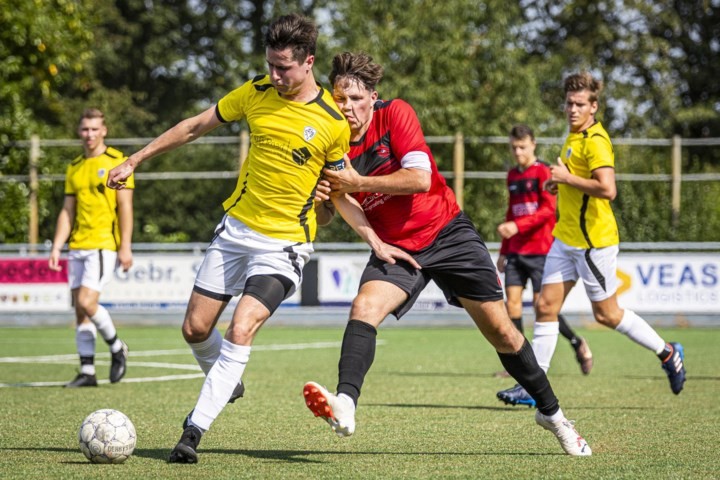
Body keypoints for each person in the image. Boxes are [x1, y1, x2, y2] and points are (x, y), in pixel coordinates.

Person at [106, 14, 416, 464]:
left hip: (285, 245)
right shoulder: (255, 93)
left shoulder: (331, 122)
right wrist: (135, 159)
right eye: (270, 65)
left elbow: (341, 190)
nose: (274, 75)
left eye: (283, 68)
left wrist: (375, 241)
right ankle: (227, 384)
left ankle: (193, 431)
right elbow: (195, 125)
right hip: (235, 233)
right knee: (195, 328)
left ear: (308, 63)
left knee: (242, 326)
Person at [302, 52, 591, 456]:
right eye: (339, 99)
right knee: (363, 308)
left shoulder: (396, 114)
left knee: (504, 333)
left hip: (447, 232)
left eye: (354, 98)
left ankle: (553, 416)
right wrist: (327, 206)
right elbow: (334, 209)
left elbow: (419, 179)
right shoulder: (327, 137)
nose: (346, 107)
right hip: (396, 246)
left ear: (372, 96)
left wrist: (357, 180)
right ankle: (345, 403)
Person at [497, 72, 686, 407]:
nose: (572, 109)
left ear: (593, 106)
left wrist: (567, 177)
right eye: (569, 103)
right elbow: (575, 182)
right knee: (545, 306)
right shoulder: (573, 136)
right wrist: (561, 184)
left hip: (592, 243)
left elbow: (607, 189)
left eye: (579, 104)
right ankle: (532, 387)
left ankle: (667, 352)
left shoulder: (596, 140)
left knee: (607, 314)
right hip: (564, 238)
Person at [494, 124, 593, 388]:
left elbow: (549, 211)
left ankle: (576, 342)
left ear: (533, 144)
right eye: (514, 147)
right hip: (515, 251)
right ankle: (520, 365)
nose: (518, 152)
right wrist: (504, 249)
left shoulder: (544, 172)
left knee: (543, 307)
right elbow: (511, 213)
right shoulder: (512, 175)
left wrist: (518, 226)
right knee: (512, 306)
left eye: (522, 147)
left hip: (541, 250)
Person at [48, 108, 132, 388]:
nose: (89, 134)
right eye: (85, 129)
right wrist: (58, 246)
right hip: (77, 246)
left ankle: (117, 347)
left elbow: (125, 208)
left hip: (102, 245)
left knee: (87, 301)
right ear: (79, 131)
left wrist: (125, 247)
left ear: (104, 131)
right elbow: (67, 211)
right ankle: (87, 371)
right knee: (79, 310)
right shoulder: (74, 166)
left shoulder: (118, 161)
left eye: (95, 129)